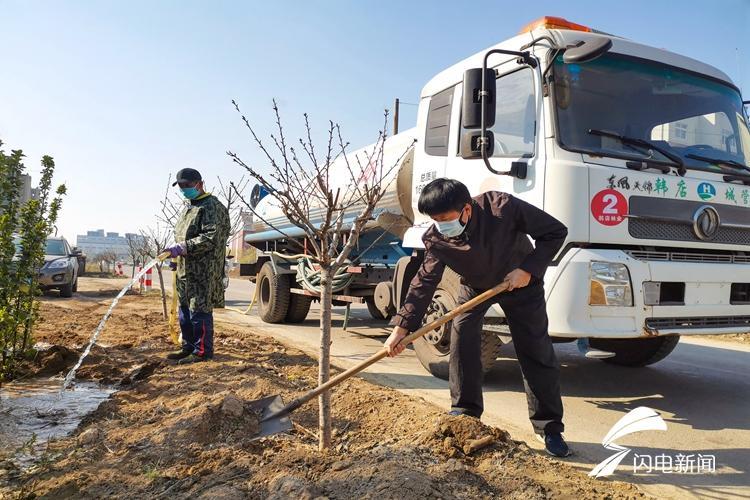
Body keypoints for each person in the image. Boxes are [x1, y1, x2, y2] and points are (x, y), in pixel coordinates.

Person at [384, 178, 571, 457]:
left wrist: (528, 270)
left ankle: (550, 428)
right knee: (462, 339)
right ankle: (465, 413)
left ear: (467, 209)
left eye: (445, 218)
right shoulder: (436, 238)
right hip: (475, 287)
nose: (441, 225)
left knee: (536, 350)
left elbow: (556, 232)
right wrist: (401, 328)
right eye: (434, 219)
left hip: (520, 283)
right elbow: (423, 283)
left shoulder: (502, 207)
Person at [165, 167, 230, 364]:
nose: (184, 190)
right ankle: (188, 347)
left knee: (199, 312)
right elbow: (182, 235)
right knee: (185, 312)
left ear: (199, 184)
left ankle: (202, 352)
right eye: (181, 187)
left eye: (187, 185)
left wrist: (184, 247)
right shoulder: (189, 207)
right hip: (186, 271)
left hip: (204, 271)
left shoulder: (211, 206)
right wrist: (176, 256)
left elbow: (211, 238)